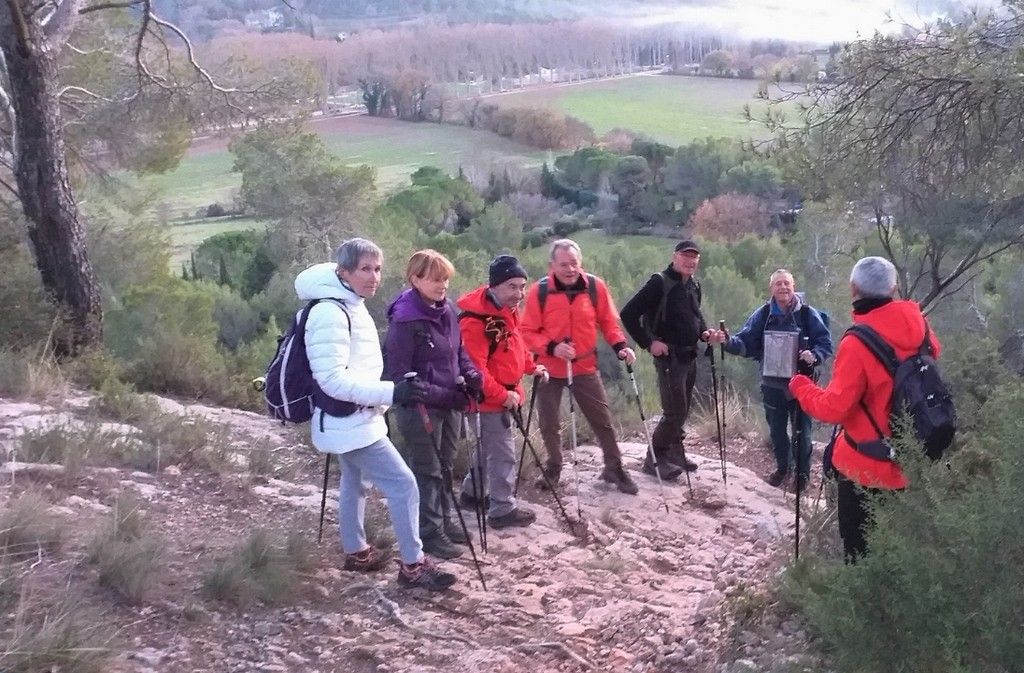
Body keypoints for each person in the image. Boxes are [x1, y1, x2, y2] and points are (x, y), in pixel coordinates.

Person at [297, 238, 456, 591]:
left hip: (354, 416)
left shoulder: (349, 304)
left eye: (378, 268)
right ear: (343, 272)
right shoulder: (330, 312)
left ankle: (357, 553)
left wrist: (383, 397)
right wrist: (392, 392)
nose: (374, 277)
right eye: (365, 269)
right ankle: (414, 567)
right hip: (348, 419)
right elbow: (332, 379)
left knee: (354, 483)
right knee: (404, 485)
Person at [789, 256, 939, 561]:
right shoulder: (920, 325)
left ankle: (863, 604)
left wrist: (800, 387)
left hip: (865, 467)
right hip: (911, 456)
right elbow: (928, 359)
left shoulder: (858, 342)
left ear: (853, 288)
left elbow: (835, 408)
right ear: (894, 286)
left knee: (859, 553)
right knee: (897, 551)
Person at [521, 238, 640, 495]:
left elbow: (608, 322)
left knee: (602, 419)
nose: (570, 269)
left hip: (585, 365)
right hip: (549, 368)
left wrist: (620, 346)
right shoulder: (539, 292)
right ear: (551, 265)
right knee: (549, 423)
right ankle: (554, 467)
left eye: (574, 263)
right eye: (563, 264)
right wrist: (552, 347)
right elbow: (526, 331)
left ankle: (614, 467)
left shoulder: (594, 287)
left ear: (580, 262)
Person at [384, 249, 482, 561]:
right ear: (415, 279)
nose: (443, 286)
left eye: (446, 280)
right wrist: (446, 395)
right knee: (427, 469)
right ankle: (429, 532)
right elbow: (400, 375)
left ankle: (445, 521)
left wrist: (471, 374)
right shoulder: (405, 319)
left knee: (446, 464)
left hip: (450, 400)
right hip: (421, 407)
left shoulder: (446, 309)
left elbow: (458, 350)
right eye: (436, 280)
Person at [720, 269, 834, 491]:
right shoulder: (762, 315)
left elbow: (826, 344)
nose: (783, 287)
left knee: (803, 432)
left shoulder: (808, 314)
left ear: (794, 286)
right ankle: (784, 468)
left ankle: (802, 477)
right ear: (771, 288)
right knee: (777, 431)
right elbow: (744, 343)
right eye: (778, 284)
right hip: (772, 386)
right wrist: (726, 342)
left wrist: (815, 355)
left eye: (787, 283)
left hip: (803, 386)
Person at [456, 254, 548, 528]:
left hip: (503, 395)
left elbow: (514, 348)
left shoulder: (506, 310)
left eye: (522, 286)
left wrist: (532, 367)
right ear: (494, 285)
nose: (519, 293)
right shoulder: (475, 321)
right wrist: (503, 396)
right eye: (512, 286)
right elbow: (475, 370)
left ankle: (472, 495)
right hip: (486, 399)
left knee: (488, 449)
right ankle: (502, 509)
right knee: (503, 453)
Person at [620, 240, 717, 481]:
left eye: (694, 257)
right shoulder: (659, 282)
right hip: (669, 358)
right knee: (674, 412)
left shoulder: (693, 284)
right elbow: (628, 313)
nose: (690, 261)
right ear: (675, 257)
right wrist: (648, 343)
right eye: (685, 256)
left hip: (689, 354)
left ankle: (675, 452)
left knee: (683, 410)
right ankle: (655, 459)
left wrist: (704, 332)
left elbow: (696, 315)